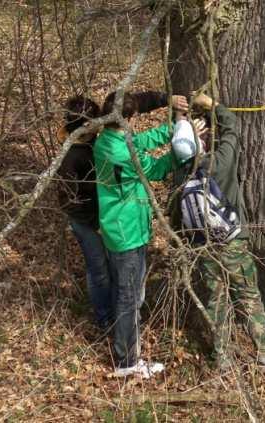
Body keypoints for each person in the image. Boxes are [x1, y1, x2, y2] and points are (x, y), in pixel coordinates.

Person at [170, 93, 265, 371]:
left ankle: (223, 357)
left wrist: (180, 120)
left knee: (217, 301)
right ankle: (264, 353)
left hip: (203, 245)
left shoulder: (181, 173)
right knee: (248, 295)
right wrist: (213, 105)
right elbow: (233, 129)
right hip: (232, 241)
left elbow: (180, 148)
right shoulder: (221, 161)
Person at [93, 90, 189, 377]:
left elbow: (139, 141)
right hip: (128, 233)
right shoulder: (123, 152)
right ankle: (127, 362)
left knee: (128, 292)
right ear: (129, 119)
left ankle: (123, 346)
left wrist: (174, 128)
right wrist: (183, 145)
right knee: (129, 297)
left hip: (118, 229)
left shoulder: (105, 139)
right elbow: (157, 169)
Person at [57, 96, 113, 330]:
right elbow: (69, 199)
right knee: (98, 267)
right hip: (85, 220)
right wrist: (93, 222)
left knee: (107, 263)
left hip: (98, 215)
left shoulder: (90, 144)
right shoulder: (72, 157)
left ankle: (112, 305)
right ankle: (104, 317)